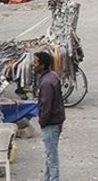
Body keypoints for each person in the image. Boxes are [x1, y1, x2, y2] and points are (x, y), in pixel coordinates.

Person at [35, 51, 66, 181]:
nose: (33, 65)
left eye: (36, 62)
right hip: (57, 121)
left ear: (42, 65)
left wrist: (42, 121)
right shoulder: (53, 76)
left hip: (50, 123)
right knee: (49, 155)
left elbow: (46, 106)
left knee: (52, 158)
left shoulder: (46, 83)